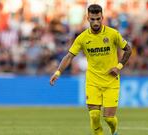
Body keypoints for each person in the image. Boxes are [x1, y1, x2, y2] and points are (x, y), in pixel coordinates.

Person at [50, 4, 132, 135]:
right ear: (88, 18)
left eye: (98, 19)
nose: (95, 22)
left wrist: (119, 67)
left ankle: (114, 131)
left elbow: (128, 49)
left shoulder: (112, 34)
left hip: (111, 81)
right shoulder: (82, 38)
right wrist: (58, 72)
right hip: (92, 82)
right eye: (92, 19)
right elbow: (69, 56)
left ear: (102, 18)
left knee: (109, 118)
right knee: (94, 116)